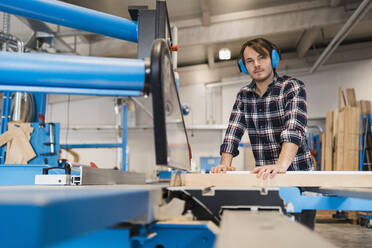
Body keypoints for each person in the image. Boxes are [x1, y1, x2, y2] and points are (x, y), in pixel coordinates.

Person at [211, 38, 315, 229]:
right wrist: (224, 165)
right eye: (249, 61)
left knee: (301, 238)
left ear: (273, 59)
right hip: (266, 180)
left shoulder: (292, 87)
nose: (256, 65)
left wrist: (281, 165)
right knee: (271, 236)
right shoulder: (244, 95)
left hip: (299, 179)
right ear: (243, 66)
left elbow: (294, 129)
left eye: (262, 57)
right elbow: (233, 132)